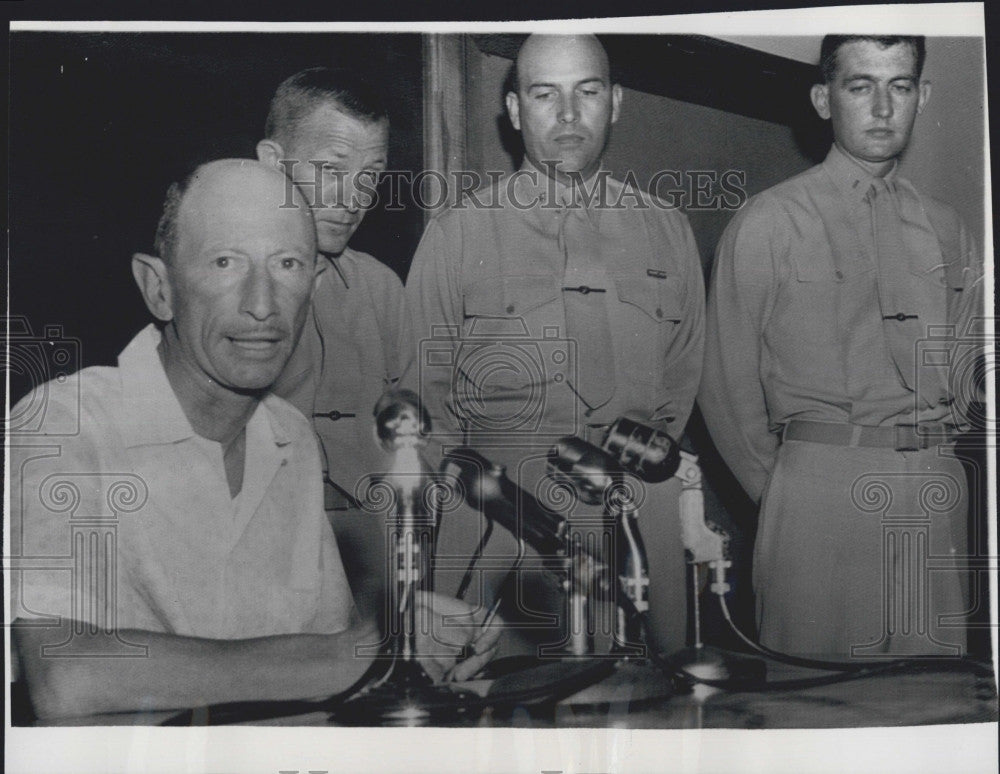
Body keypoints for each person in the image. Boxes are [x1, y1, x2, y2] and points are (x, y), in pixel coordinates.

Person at [8, 160, 498, 722]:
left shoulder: (291, 438)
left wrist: (413, 642)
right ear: (159, 288)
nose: (262, 304)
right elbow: (66, 677)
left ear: (313, 288)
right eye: (225, 262)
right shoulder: (65, 424)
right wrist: (353, 654)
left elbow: (322, 665)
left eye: (287, 264)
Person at [405, 34, 704, 655]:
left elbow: (679, 388)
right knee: (506, 728)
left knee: (654, 720)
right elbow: (423, 413)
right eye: (545, 94)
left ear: (616, 102)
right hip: (507, 523)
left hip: (637, 513)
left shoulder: (668, 232)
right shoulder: (458, 236)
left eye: (587, 92)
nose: (568, 114)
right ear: (515, 111)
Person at [699, 36, 983, 658]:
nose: (883, 106)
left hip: (933, 492)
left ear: (922, 96)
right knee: (814, 708)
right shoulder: (770, 221)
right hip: (817, 495)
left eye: (900, 86)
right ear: (824, 99)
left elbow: (967, 377)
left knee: (931, 709)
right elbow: (723, 388)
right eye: (861, 86)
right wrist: (786, 495)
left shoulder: (947, 227)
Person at [255, 67, 410, 614]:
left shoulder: (381, 290)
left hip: (370, 583)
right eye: (329, 171)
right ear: (274, 163)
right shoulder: (220, 292)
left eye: (370, 176)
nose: (352, 199)